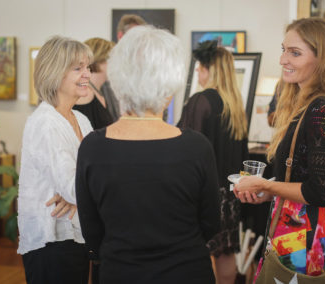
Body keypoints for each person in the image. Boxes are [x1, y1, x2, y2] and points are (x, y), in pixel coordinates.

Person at [75, 25, 220, 284]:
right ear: (169, 90)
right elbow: (210, 224)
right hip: (187, 271)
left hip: (120, 272)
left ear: (118, 83)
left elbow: (92, 233)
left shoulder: (92, 147)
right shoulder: (197, 147)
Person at [234, 17, 325, 277]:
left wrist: (264, 185)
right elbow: (305, 179)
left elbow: (319, 191)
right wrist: (270, 194)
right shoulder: (309, 105)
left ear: (322, 60)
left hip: (303, 240)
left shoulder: (321, 109)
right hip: (298, 236)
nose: (283, 59)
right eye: (284, 50)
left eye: (295, 53)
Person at [17, 36, 93, 284]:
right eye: (78, 68)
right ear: (55, 73)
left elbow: (84, 184)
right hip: (51, 242)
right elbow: (73, 188)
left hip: (76, 237)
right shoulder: (45, 122)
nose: (87, 75)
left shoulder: (81, 120)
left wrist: (79, 200)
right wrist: (78, 196)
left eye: (88, 67)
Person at [177, 40, 249, 284]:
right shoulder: (235, 106)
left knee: (196, 255)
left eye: (200, 67)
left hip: (203, 194)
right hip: (230, 195)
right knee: (225, 253)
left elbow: (185, 148)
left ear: (211, 69)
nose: (197, 71)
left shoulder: (201, 101)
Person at [74, 38, 114, 129]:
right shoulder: (84, 94)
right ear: (99, 60)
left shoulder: (101, 91)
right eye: (112, 59)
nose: (116, 64)